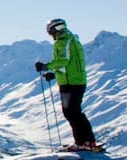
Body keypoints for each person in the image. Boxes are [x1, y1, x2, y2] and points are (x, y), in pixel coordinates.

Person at [35, 18, 99, 151]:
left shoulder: (62, 42)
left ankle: (82, 143)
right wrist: (55, 74)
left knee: (71, 112)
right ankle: (88, 141)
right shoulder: (73, 40)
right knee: (75, 112)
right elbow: (70, 65)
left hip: (69, 84)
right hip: (77, 81)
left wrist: (46, 66)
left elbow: (63, 60)